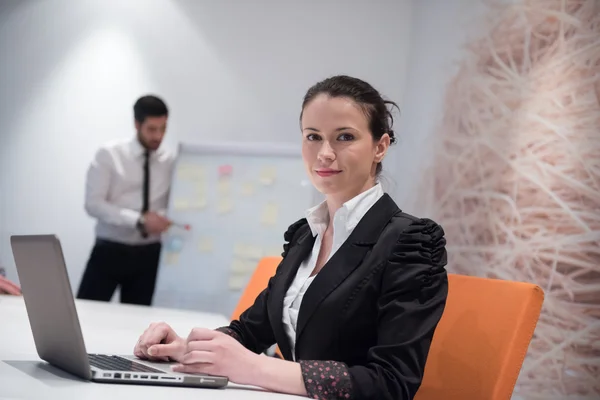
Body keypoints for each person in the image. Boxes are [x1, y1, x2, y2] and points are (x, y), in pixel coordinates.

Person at [133, 76, 448, 399]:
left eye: (344, 137)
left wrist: (255, 368)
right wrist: (188, 347)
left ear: (380, 147)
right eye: (313, 136)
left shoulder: (410, 241)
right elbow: (251, 331)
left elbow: (392, 382)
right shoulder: (305, 235)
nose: (324, 153)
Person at [77, 95, 175, 306]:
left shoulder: (169, 161)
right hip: (110, 250)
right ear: (137, 124)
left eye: (163, 128)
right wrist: (138, 220)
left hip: (149, 255)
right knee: (87, 313)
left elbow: (176, 203)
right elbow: (93, 204)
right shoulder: (109, 155)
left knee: (140, 323)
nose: (158, 136)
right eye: (151, 129)